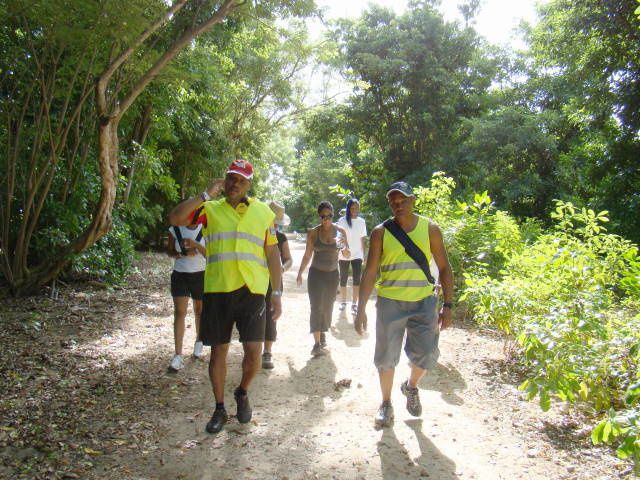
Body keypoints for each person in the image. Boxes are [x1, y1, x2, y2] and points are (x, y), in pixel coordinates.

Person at [168, 159, 283, 434]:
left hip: (253, 290)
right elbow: (175, 219)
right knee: (218, 351)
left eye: (241, 180)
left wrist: (276, 292)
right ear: (225, 179)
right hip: (218, 289)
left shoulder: (263, 213)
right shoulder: (209, 209)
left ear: (249, 184)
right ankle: (219, 408)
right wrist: (206, 194)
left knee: (254, 353)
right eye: (231, 178)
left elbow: (272, 254)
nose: (235, 183)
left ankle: (242, 391)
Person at [354, 181, 454, 428]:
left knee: (427, 354)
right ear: (390, 204)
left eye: (403, 200)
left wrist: (448, 305)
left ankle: (411, 386)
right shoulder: (381, 232)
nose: (398, 204)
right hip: (391, 303)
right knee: (386, 357)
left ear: (413, 200)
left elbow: (444, 267)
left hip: (424, 302)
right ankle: (386, 404)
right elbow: (370, 271)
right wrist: (361, 307)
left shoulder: (430, 229)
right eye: (393, 201)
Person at [296, 201, 350, 357]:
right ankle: (317, 344)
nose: (326, 219)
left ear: (333, 215)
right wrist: (300, 272)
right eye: (323, 216)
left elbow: (347, 254)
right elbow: (307, 255)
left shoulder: (340, 232)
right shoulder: (313, 233)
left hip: (332, 275)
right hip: (316, 274)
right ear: (319, 217)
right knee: (316, 307)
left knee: (328, 307)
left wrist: (343, 247)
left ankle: (322, 332)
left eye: (329, 216)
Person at [166, 222, 206, 371]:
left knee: (200, 311)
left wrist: (196, 245)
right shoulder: (175, 229)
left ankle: (199, 342)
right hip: (180, 274)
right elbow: (169, 251)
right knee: (180, 312)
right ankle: (178, 355)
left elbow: (210, 253)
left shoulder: (206, 229)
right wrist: (182, 253)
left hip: (201, 274)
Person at [262, 200, 293, 370]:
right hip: (255, 279)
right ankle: (251, 350)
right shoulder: (256, 233)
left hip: (274, 280)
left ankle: (267, 351)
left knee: (271, 316)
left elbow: (288, 259)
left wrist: (281, 268)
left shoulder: (281, 238)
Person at [337, 198, 367, 315]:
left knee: (356, 280)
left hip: (357, 254)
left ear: (359, 208)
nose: (354, 210)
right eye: (352, 208)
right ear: (348, 208)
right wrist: (343, 249)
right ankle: (343, 302)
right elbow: (339, 238)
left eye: (356, 208)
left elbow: (363, 239)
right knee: (343, 279)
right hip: (344, 254)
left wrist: (364, 255)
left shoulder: (361, 221)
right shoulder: (342, 220)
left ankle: (354, 304)